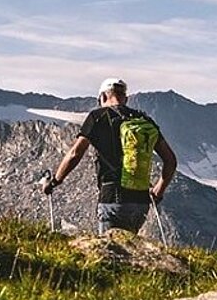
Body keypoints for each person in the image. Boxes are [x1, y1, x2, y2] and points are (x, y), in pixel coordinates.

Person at [43, 78, 178, 234]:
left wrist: (54, 181)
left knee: (111, 252)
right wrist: (157, 191)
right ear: (125, 98)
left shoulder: (97, 116)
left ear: (103, 97)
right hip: (141, 202)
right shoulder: (143, 120)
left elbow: (75, 153)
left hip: (113, 198)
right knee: (131, 250)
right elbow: (171, 161)